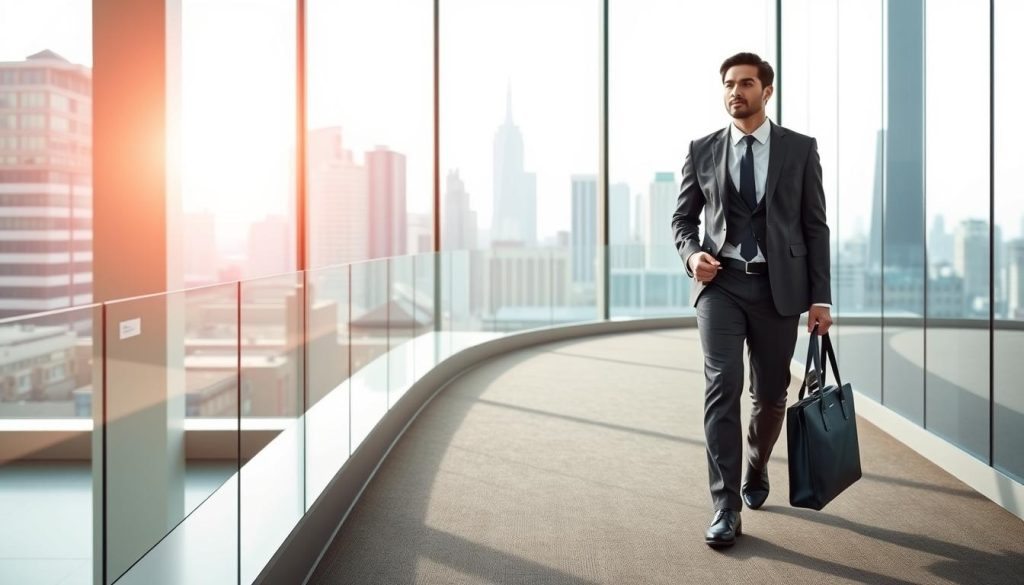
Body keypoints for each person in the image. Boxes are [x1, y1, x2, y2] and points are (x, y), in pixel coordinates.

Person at [671, 52, 833, 548]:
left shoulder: (800, 150)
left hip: (777, 289)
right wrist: (692, 254)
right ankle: (725, 506)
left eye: (745, 83)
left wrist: (820, 299)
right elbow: (683, 222)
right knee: (723, 385)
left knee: (770, 396)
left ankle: (757, 463)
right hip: (720, 286)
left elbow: (815, 226)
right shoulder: (701, 149)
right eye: (728, 84)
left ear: (767, 91)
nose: (734, 92)